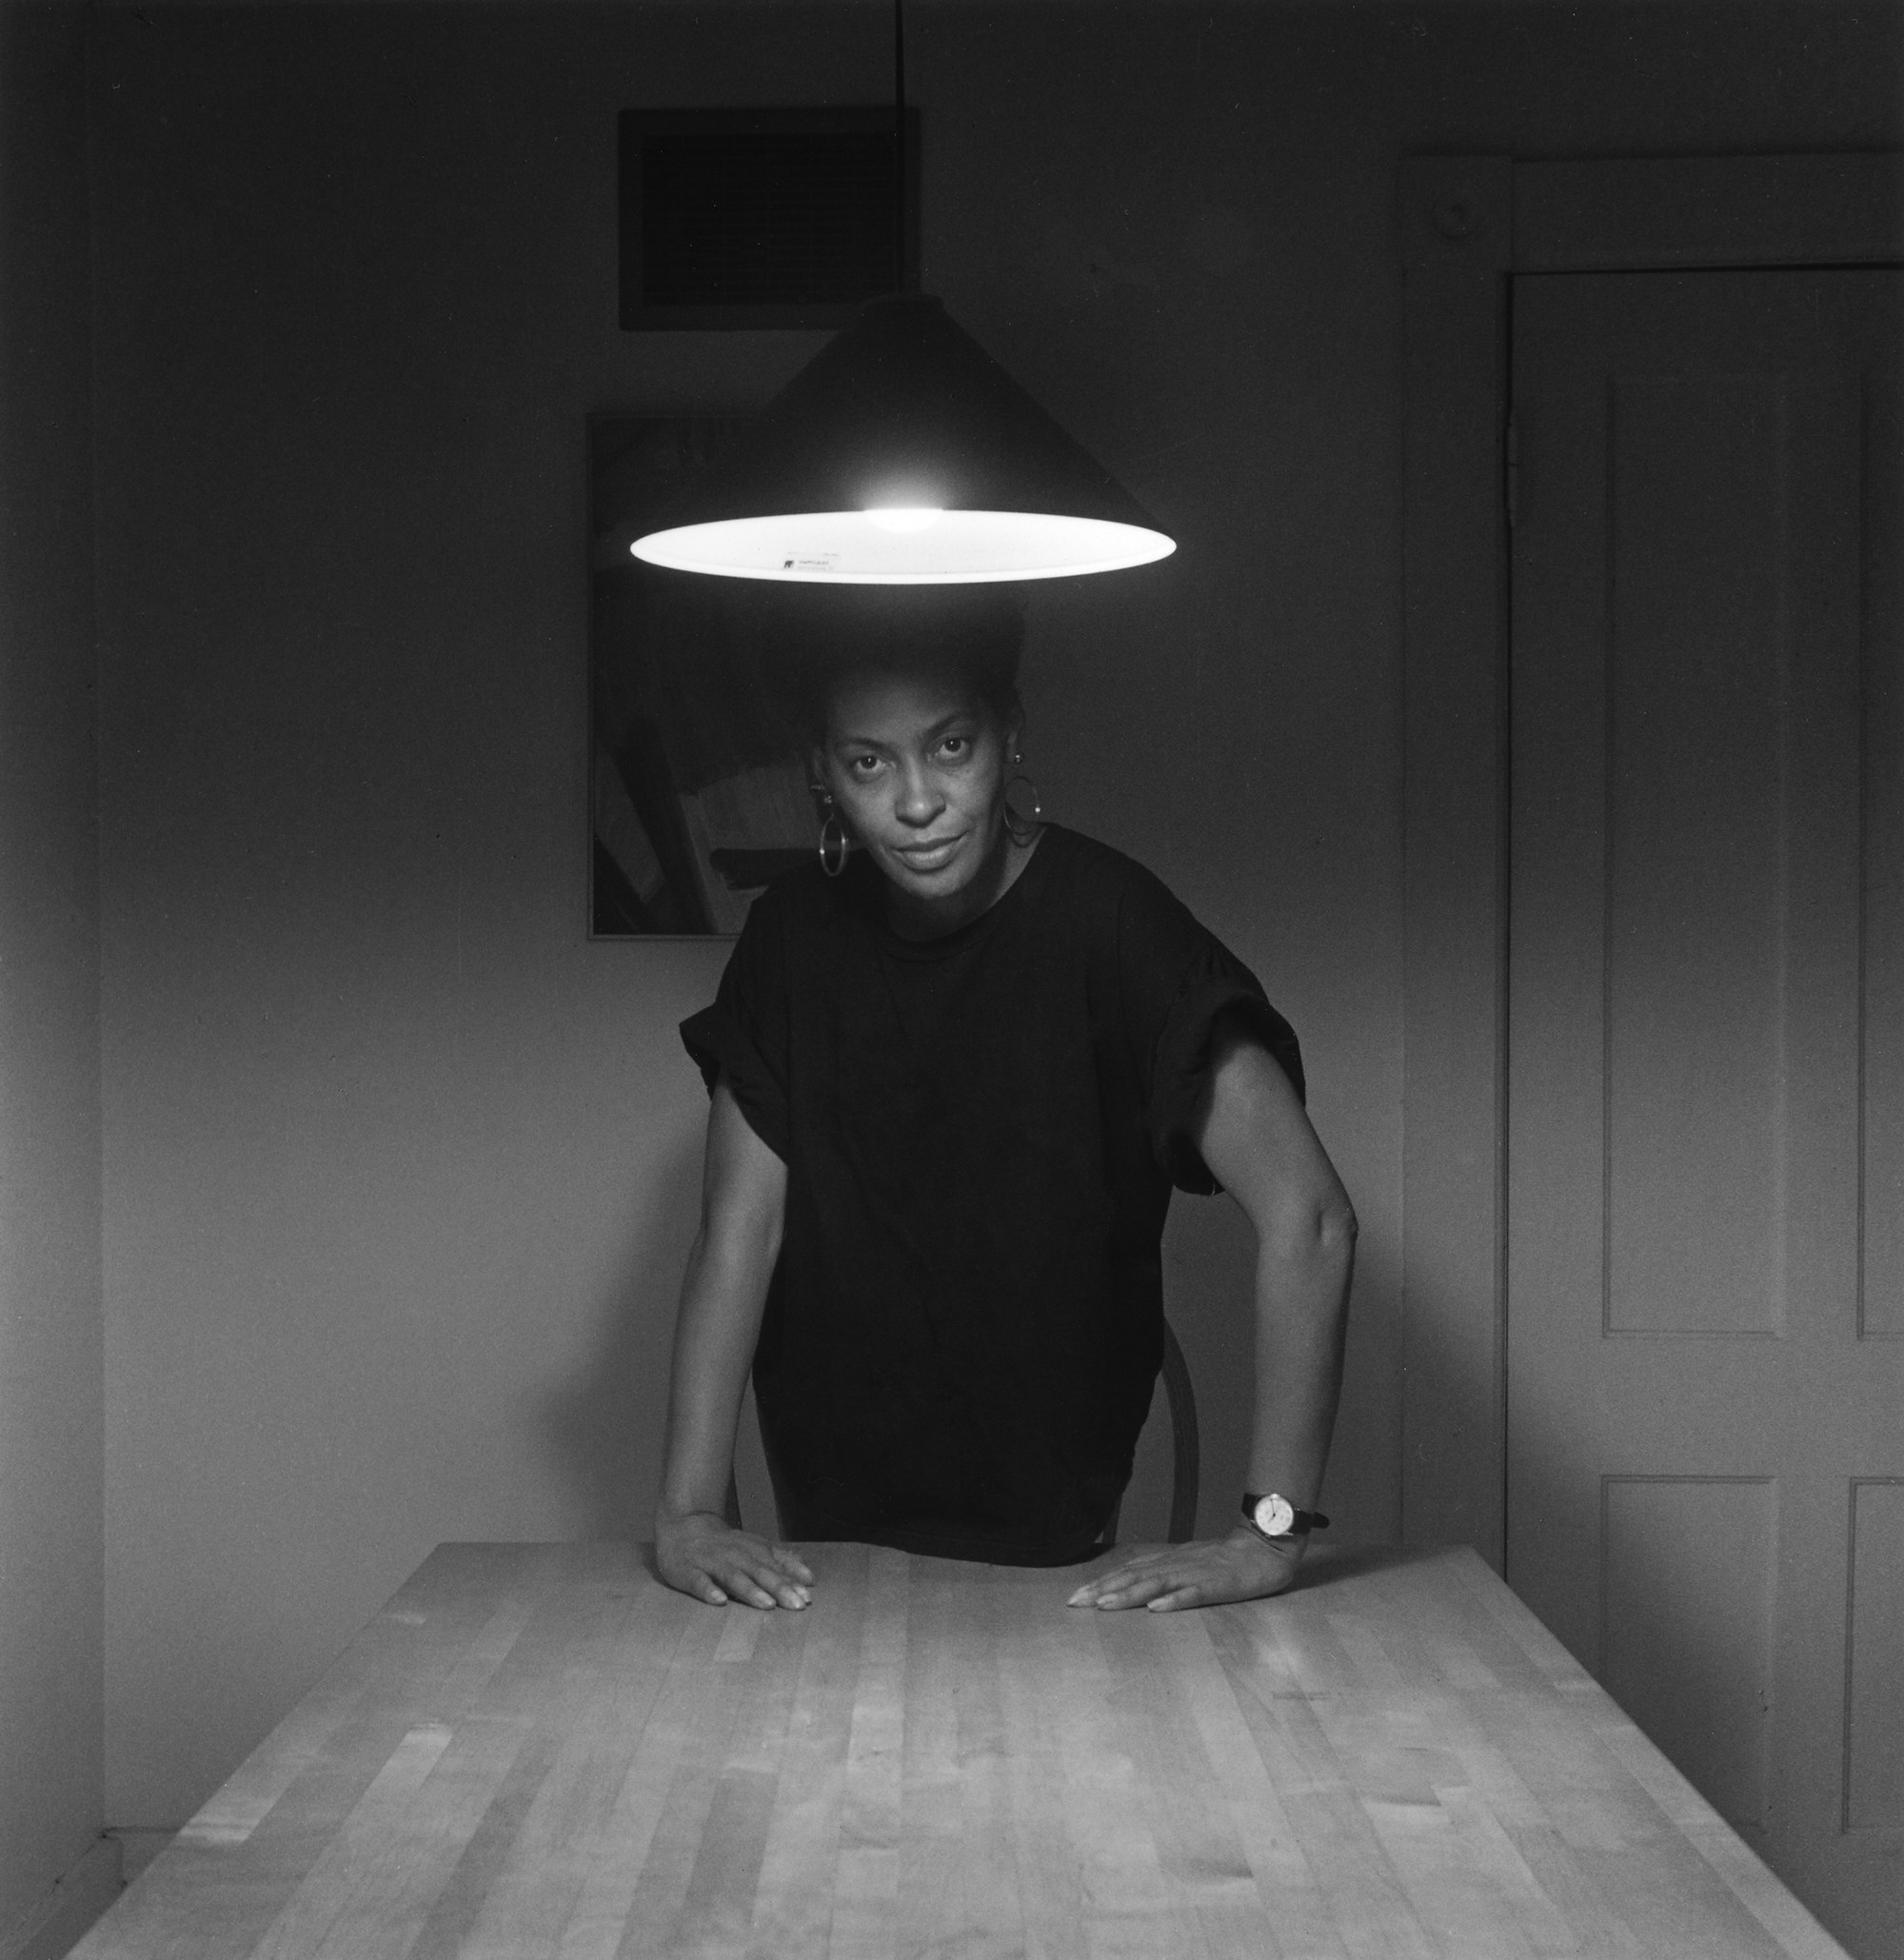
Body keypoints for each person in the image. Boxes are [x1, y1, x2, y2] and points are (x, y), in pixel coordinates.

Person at [654, 589, 1356, 1614]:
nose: (916, 802)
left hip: (1053, 1530)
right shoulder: (792, 940)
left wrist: (1270, 1533)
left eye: (949, 747)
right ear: (821, 774)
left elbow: (1313, 1217)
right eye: (867, 762)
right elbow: (737, 1234)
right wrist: (685, 1513)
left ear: (1006, 735)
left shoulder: (1111, 922)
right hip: (826, 1527)